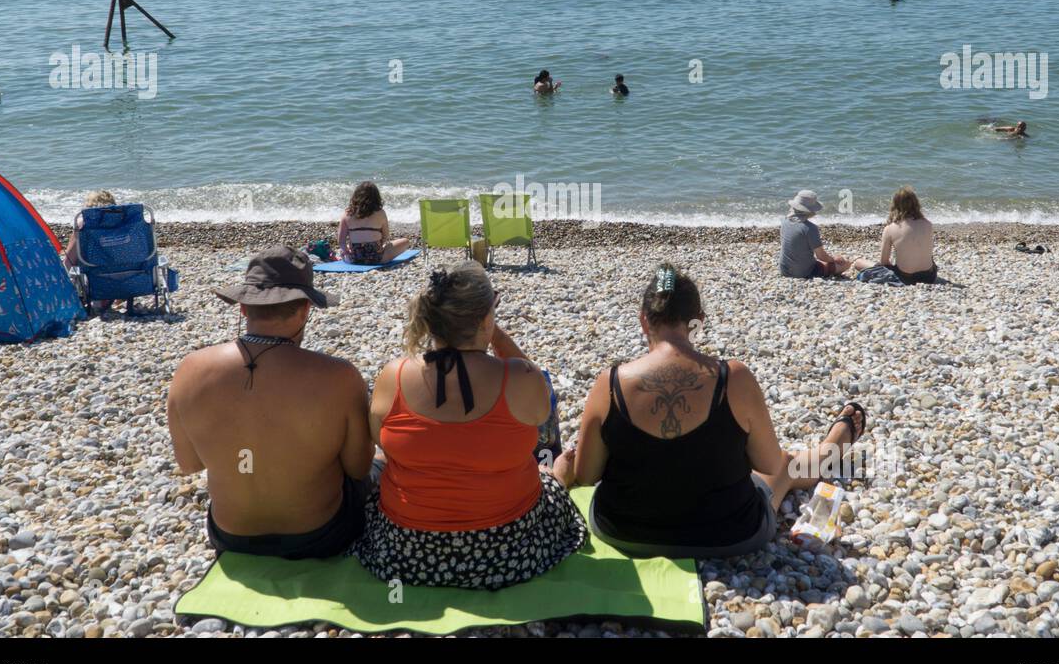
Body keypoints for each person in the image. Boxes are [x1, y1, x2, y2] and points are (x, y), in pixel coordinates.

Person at [555, 265, 866, 558]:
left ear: (643, 321)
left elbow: (586, 475)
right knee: (783, 463)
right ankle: (830, 450)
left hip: (624, 531)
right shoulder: (734, 378)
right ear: (697, 323)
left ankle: (829, 450)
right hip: (729, 534)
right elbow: (768, 464)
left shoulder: (608, 385)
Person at [354, 263, 587, 589]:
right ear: (485, 318)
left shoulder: (393, 376)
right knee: (546, 474)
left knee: (386, 465)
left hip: (406, 552)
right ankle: (559, 477)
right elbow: (542, 413)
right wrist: (494, 332)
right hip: (508, 549)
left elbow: (381, 441)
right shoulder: (520, 378)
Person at [166, 246, 373, 559]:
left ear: (244, 309)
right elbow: (358, 468)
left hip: (231, 537)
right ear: (305, 309)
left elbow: (190, 464)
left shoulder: (189, 371)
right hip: (321, 535)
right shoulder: (339, 377)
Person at [852, 186, 937, 284]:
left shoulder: (890, 228)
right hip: (929, 276)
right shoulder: (928, 224)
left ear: (895, 205)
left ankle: (858, 261)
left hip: (906, 278)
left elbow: (884, 261)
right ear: (916, 204)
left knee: (859, 263)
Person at [779, 190, 851, 278]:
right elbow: (821, 256)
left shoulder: (785, 221)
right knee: (846, 264)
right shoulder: (809, 228)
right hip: (803, 272)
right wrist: (834, 259)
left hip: (784, 270)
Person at [337, 181, 410, 266]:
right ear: (376, 197)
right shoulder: (380, 213)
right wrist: (381, 245)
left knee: (345, 249)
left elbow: (341, 241)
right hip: (377, 258)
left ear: (356, 196)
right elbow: (385, 235)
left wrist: (346, 251)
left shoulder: (347, 213)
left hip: (354, 259)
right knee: (406, 241)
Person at [63, 189, 116, 268]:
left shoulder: (83, 225)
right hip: (132, 275)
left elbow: (68, 262)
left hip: (95, 277)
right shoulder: (126, 223)